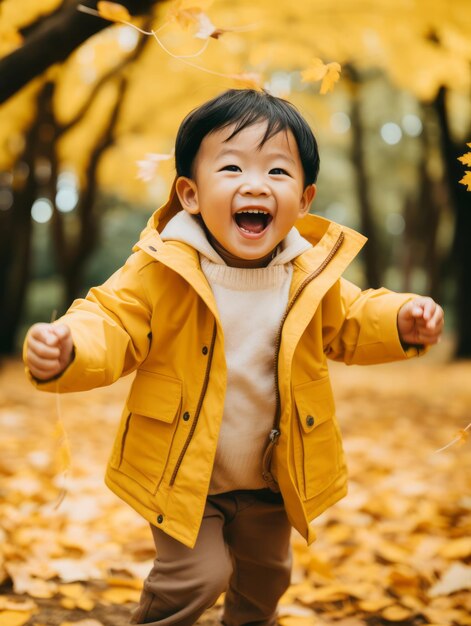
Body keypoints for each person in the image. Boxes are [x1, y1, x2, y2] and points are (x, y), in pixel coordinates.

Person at [24, 89, 444, 626]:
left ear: (304, 200)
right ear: (191, 194)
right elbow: (112, 321)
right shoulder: (163, 268)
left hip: (270, 477)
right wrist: (67, 348)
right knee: (196, 576)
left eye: (277, 171)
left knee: (266, 581)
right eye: (230, 166)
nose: (255, 184)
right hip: (184, 475)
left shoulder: (307, 276)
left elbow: (355, 320)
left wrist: (404, 318)